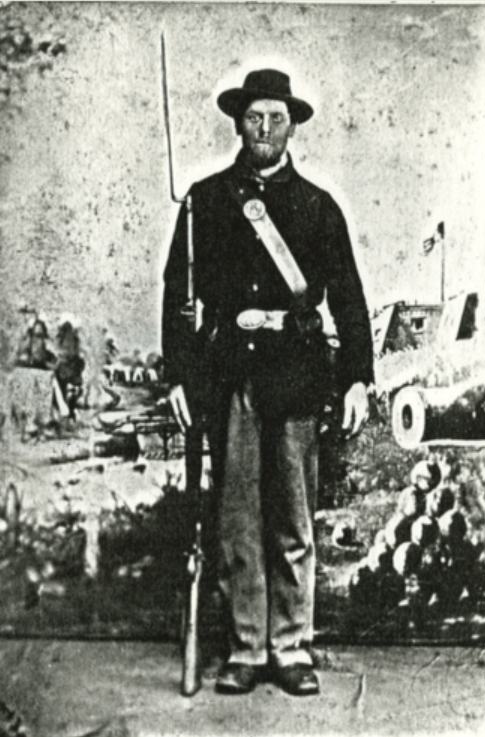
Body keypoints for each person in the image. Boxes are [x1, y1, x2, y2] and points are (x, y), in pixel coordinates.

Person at [162, 69, 374, 696]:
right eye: (254, 117)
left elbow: (349, 297)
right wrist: (179, 376)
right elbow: (179, 295)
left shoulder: (318, 206)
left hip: (298, 376)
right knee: (236, 520)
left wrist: (358, 378)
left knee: (292, 521)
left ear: (292, 127)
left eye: (275, 118)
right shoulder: (204, 202)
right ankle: (247, 648)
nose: (264, 128)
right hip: (230, 375)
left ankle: (291, 647)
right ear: (238, 123)